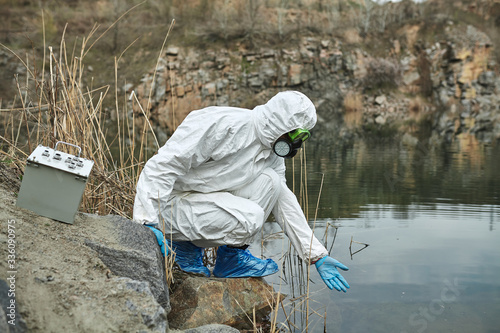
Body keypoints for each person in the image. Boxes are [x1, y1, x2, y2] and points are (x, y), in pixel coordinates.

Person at [133, 91, 350, 292]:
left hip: (202, 199)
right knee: (251, 216)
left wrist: (315, 254)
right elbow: (161, 167)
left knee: (272, 182)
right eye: (296, 135)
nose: (296, 143)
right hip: (170, 205)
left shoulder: (271, 149)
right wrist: (147, 221)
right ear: (281, 124)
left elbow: (282, 198)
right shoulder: (223, 125)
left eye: (302, 137)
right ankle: (181, 245)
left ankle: (231, 258)